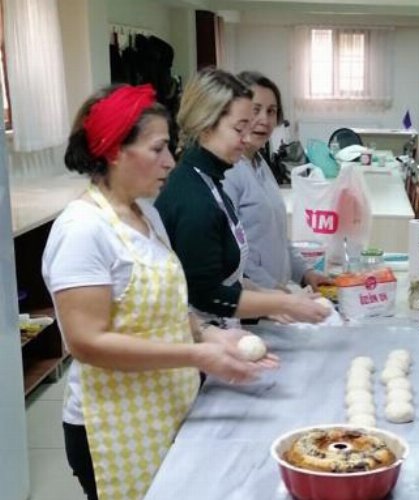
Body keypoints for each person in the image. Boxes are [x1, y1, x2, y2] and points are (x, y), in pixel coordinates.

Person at [42, 84, 279, 500]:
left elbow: (163, 305)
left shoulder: (145, 213)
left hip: (163, 405)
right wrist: (195, 354)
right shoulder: (83, 230)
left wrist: (208, 334)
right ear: (115, 150)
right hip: (111, 425)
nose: (171, 161)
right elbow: (86, 342)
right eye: (158, 149)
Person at [155, 68, 330, 327]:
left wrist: (274, 296)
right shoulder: (192, 197)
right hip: (201, 339)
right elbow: (205, 294)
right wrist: (281, 302)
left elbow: (229, 276)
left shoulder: (211, 179)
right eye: (239, 129)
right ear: (206, 126)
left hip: (224, 330)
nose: (247, 138)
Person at [223, 71, 329, 291]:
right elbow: (230, 253)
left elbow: (279, 238)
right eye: (255, 110)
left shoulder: (260, 163)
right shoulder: (228, 172)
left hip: (277, 301)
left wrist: (306, 274)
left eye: (271, 111)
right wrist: (275, 292)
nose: (264, 120)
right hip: (253, 303)